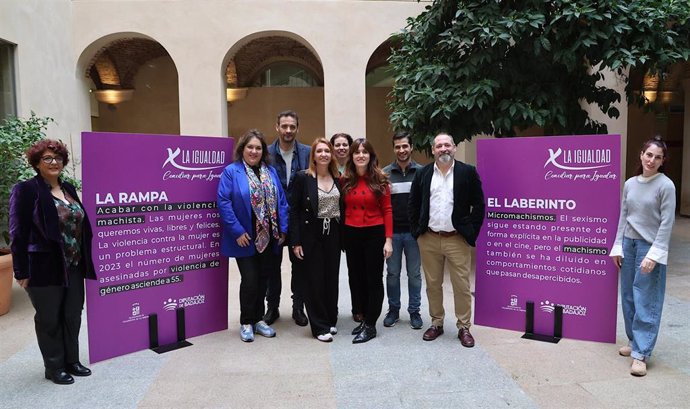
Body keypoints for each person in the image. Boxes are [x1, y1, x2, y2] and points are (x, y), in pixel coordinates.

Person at [9, 139, 96, 385]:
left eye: (58, 158)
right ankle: (54, 366)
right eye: (47, 158)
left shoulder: (68, 187)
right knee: (49, 318)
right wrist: (21, 270)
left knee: (72, 314)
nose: (54, 162)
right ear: (37, 163)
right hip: (43, 267)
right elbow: (18, 232)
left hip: (74, 265)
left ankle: (72, 361)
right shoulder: (26, 190)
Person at [409, 133, 485, 347]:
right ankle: (436, 323)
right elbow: (413, 204)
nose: (443, 149)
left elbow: (479, 205)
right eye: (439, 145)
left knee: (461, 285)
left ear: (454, 147)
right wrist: (417, 232)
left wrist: (471, 232)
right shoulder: (423, 173)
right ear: (432, 150)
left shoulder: (467, 173)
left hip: (456, 239)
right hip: (429, 238)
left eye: (447, 145)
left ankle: (464, 327)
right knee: (433, 284)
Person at [610, 136, 676, 377]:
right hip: (628, 244)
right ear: (641, 155)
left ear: (662, 161)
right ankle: (633, 341)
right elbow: (623, 216)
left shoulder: (665, 185)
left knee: (646, 299)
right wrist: (618, 246)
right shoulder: (630, 184)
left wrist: (655, 254)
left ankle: (642, 353)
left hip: (649, 247)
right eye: (649, 155)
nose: (652, 160)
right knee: (628, 296)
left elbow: (667, 224)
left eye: (657, 157)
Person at [218, 129, 288, 342]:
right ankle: (246, 322)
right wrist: (237, 231)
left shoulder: (271, 172)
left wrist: (283, 229)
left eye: (258, 148)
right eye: (250, 147)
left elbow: (282, 201)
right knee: (250, 280)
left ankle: (259, 320)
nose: (254, 151)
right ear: (242, 149)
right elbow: (224, 202)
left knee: (263, 279)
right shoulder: (232, 171)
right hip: (245, 237)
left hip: (269, 237)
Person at [289, 138, 344, 342]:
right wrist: (295, 242)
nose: (323, 154)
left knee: (331, 279)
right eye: (319, 151)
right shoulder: (303, 178)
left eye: (327, 151)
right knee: (315, 281)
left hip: (334, 233)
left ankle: (330, 319)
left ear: (332, 155)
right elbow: (293, 211)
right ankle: (319, 326)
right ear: (313, 155)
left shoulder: (338, 177)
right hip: (310, 234)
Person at [341, 138, 393, 343]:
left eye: (365, 152)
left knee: (373, 278)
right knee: (356, 277)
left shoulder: (380, 179)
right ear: (351, 156)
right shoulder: (345, 180)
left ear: (371, 156)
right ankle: (362, 316)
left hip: (374, 232)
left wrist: (388, 240)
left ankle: (371, 324)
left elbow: (387, 210)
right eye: (356, 152)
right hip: (351, 233)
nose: (360, 155)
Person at [265, 110, 311, 327]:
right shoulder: (265, 154)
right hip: (272, 219)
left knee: (299, 265)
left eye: (292, 126)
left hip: (299, 219)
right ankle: (272, 307)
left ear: (297, 128)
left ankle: (298, 307)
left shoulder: (307, 152)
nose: (288, 130)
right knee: (271, 266)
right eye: (284, 126)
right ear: (277, 127)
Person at [382, 131, 423, 330]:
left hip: (415, 234)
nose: (402, 150)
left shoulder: (422, 173)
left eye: (405, 146)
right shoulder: (385, 174)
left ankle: (414, 311)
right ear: (394, 148)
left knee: (414, 274)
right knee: (392, 273)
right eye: (398, 146)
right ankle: (393, 310)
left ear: (411, 147)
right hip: (393, 234)